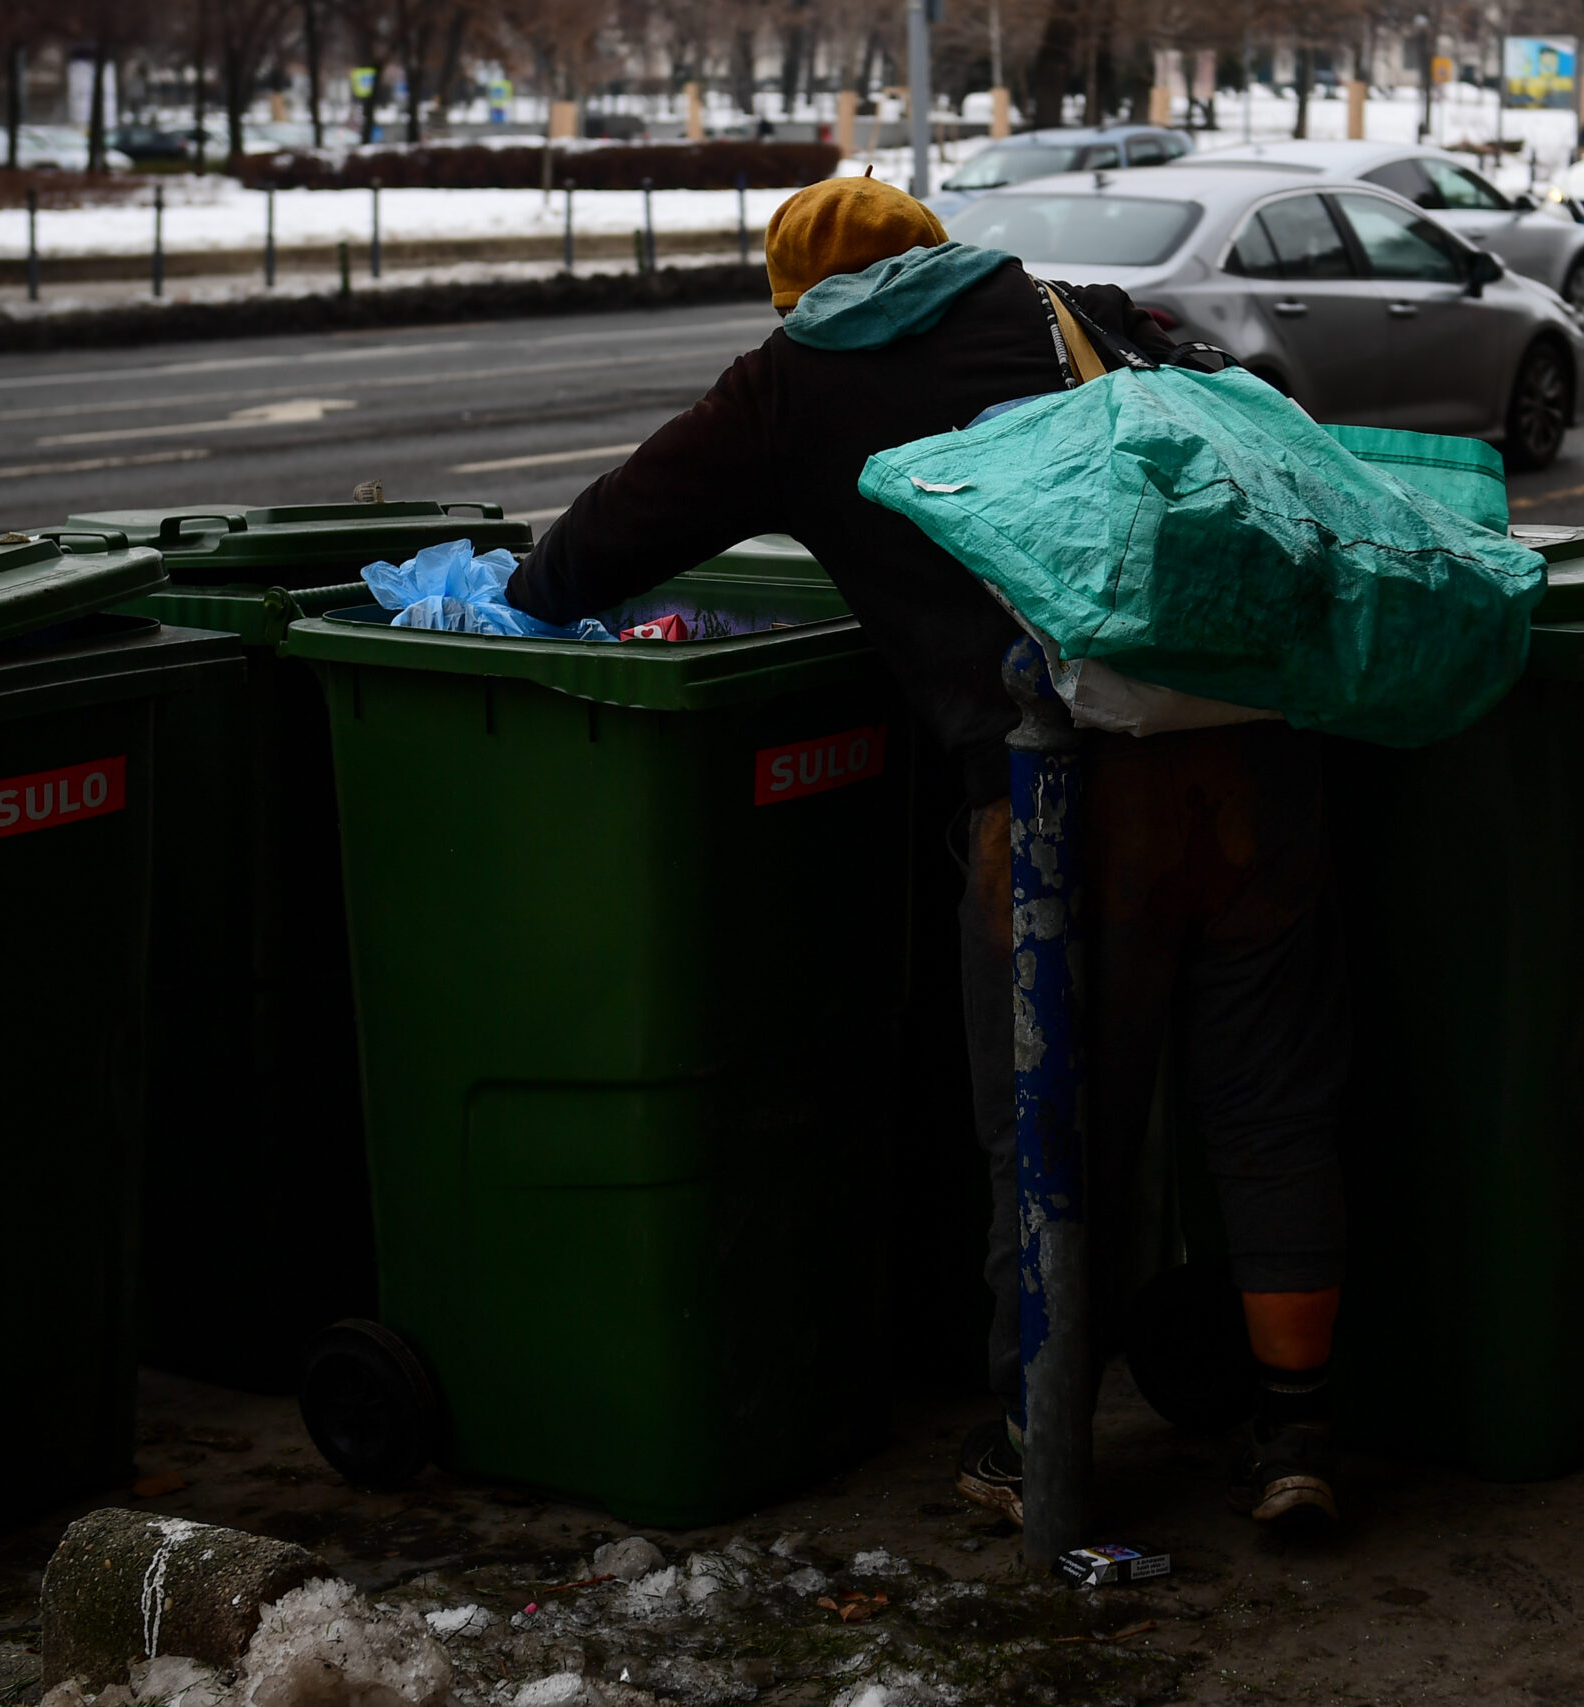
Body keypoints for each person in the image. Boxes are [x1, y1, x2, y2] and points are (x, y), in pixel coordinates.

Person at [505, 175, 1350, 1530]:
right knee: (1267, 1108)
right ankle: (1296, 1436)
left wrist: (517, 593)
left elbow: (592, 553)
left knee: (1051, 1130)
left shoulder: (787, 386)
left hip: (1060, 797)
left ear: (796, 296)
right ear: (936, 252)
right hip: (1246, 753)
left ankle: (1034, 1442)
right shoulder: (1071, 308)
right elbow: (1262, 416)